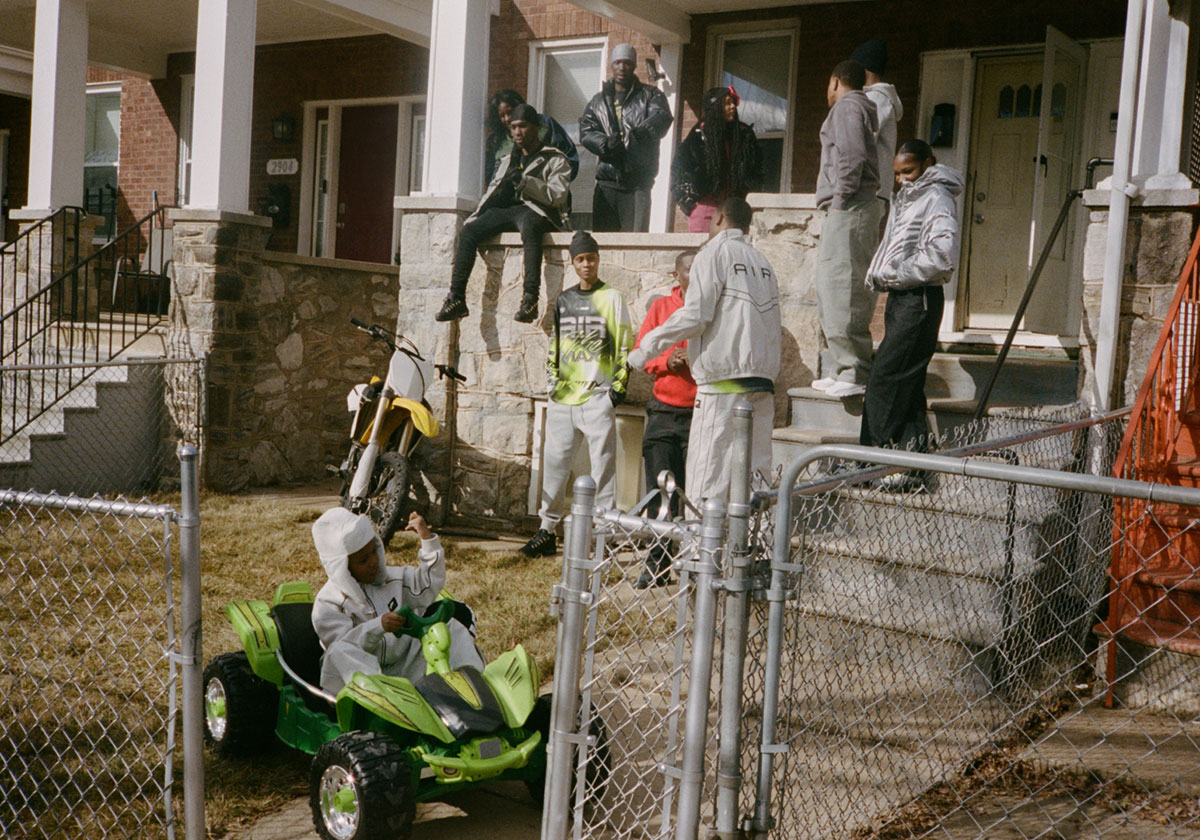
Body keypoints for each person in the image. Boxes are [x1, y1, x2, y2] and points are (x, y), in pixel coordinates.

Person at [628, 197, 780, 504]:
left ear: (720, 218)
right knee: (756, 480)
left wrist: (645, 350)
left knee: (707, 479)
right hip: (762, 384)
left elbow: (696, 315)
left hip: (723, 383)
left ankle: (700, 538)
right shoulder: (763, 263)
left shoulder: (712, 253)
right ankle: (757, 535)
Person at [522, 230, 633, 557]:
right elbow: (555, 344)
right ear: (573, 263)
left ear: (598, 260)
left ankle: (601, 535)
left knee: (603, 470)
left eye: (592, 258)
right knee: (555, 466)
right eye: (581, 259)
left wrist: (617, 390)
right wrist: (552, 385)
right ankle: (546, 530)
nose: (587, 264)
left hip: (598, 395)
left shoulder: (612, 298)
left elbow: (624, 344)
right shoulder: (565, 299)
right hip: (564, 398)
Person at [860, 140, 963, 491]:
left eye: (909, 171)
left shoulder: (936, 196)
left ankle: (873, 460)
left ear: (929, 163)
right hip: (902, 298)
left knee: (884, 378)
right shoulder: (908, 196)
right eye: (897, 174)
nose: (902, 179)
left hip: (919, 298)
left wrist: (892, 275)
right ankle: (911, 466)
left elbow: (941, 255)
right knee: (908, 383)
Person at [311, 507, 485, 695]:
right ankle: (381, 701)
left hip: (404, 666)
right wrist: (378, 626)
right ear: (342, 568)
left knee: (451, 626)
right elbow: (346, 645)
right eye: (363, 560)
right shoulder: (328, 604)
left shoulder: (394, 579)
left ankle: (474, 689)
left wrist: (427, 540)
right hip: (363, 681)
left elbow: (428, 585)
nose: (373, 562)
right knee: (339, 652)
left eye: (374, 552)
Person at [436, 103, 571, 324]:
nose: (517, 132)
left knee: (530, 225)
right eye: (513, 127)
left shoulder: (555, 158)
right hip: (508, 212)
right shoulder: (508, 160)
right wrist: (476, 215)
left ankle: (530, 300)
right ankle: (456, 298)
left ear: (536, 127)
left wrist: (525, 182)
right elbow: (492, 191)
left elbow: (557, 196)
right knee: (469, 231)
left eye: (523, 126)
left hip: (538, 213)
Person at [811, 59, 882, 399]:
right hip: (850, 207)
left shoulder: (847, 107)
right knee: (833, 288)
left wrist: (840, 201)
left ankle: (855, 370)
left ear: (836, 81)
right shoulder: (853, 108)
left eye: (828, 84)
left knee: (844, 287)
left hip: (850, 206)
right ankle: (842, 367)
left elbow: (852, 156)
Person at [634, 250, 697, 588]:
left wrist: (696, 359)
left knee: (694, 496)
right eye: (689, 269)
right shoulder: (661, 308)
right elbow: (643, 353)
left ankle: (693, 568)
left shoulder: (710, 308)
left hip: (699, 415)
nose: (695, 275)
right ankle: (657, 566)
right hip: (663, 413)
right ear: (677, 275)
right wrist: (667, 361)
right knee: (661, 493)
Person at [579, 43, 673, 232]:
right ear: (612, 65)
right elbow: (586, 130)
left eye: (627, 63)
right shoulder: (598, 101)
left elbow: (662, 116)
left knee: (635, 241)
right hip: (607, 183)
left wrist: (641, 133)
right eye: (618, 62)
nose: (622, 67)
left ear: (634, 66)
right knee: (603, 242)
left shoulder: (651, 95)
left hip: (638, 183)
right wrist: (604, 143)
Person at [671, 86, 763, 233]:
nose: (732, 107)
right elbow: (680, 170)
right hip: (705, 206)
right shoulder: (698, 137)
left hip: (736, 206)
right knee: (704, 246)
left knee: (735, 246)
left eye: (733, 102)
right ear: (715, 108)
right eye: (727, 103)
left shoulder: (744, 135)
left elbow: (758, 169)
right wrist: (690, 204)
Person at [484, 88, 580, 184]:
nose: (507, 118)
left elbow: (569, 156)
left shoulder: (544, 123)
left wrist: (556, 183)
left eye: (510, 112)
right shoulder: (497, 141)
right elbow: (492, 178)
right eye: (502, 115)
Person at [851, 38, 904, 206]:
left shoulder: (876, 98)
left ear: (864, 69)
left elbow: (862, 142)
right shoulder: (875, 97)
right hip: (873, 191)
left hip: (869, 191)